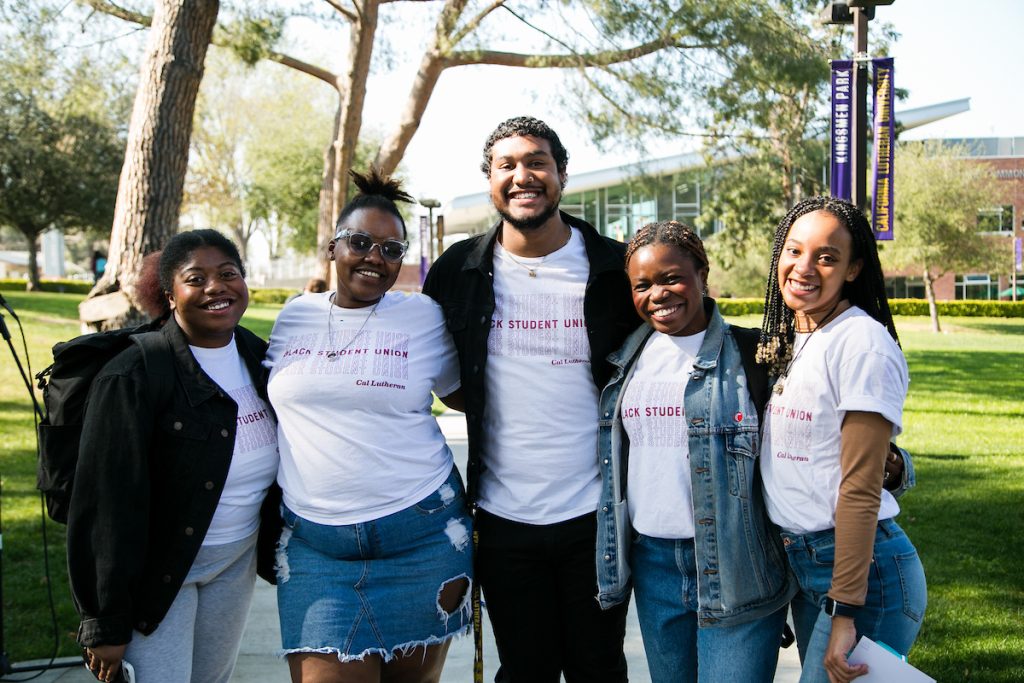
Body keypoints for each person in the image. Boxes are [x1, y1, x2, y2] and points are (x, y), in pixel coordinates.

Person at [422, 116, 639, 683]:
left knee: (598, 669)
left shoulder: (617, 268)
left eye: (537, 162)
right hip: (502, 518)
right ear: (490, 181)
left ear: (562, 175)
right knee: (525, 670)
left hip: (599, 516)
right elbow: (437, 367)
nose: (524, 176)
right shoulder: (457, 271)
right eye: (507, 166)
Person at [265, 168, 471, 683]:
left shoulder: (423, 316)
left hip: (423, 537)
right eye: (360, 242)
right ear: (333, 248)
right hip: (317, 551)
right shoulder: (294, 317)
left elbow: (469, 396)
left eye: (391, 249)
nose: (375, 258)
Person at [68, 229, 282, 683]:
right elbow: (103, 506)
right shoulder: (133, 376)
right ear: (169, 296)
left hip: (234, 561)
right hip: (160, 572)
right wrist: (104, 622)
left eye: (228, 274)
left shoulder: (257, 355)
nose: (215, 287)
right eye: (195, 278)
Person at [595, 221, 792, 682]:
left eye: (671, 278)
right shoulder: (624, 361)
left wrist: (894, 465)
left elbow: (815, 433)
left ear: (702, 273)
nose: (658, 294)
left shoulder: (755, 355)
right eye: (642, 285)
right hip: (654, 567)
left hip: (736, 564)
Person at [756, 196, 927, 683]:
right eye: (794, 251)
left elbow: (859, 489)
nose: (804, 267)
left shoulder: (863, 345)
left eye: (827, 257)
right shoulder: (801, 336)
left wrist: (846, 612)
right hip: (809, 565)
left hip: (863, 578)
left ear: (853, 269)